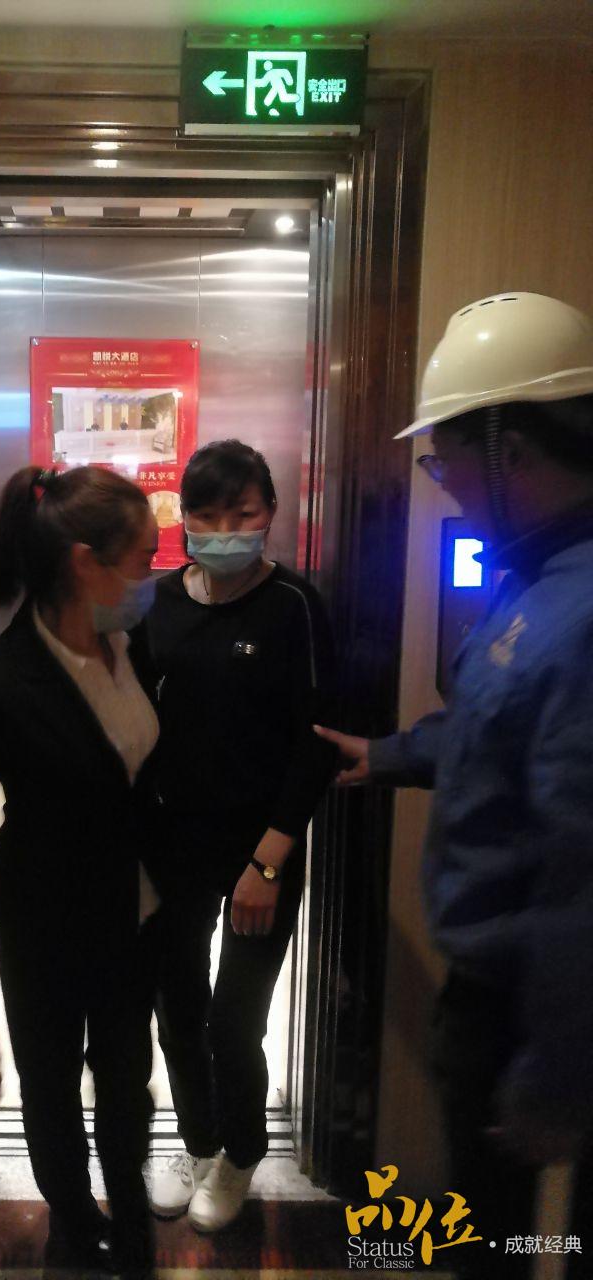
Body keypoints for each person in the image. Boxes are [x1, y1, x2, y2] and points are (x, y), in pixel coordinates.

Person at [315, 293, 593, 1279]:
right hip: (494, 998)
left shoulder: (582, 610)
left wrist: (557, 1070)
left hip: (529, 1009)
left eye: (448, 461)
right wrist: (391, 754)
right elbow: (494, 730)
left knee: (522, 1243)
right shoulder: (537, 577)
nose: (447, 489)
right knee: (492, 1222)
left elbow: (583, 874)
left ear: (510, 451)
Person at [0, 464, 160, 1277]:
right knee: (51, 1092)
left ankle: (134, 1225)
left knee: (127, 1084)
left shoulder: (134, 645)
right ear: (87, 564)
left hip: (134, 920)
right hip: (43, 927)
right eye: (144, 558)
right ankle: (75, 1228)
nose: (153, 575)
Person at [142, 439, 337, 1232]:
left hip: (264, 850)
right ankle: (197, 1141)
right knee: (178, 1012)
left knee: (233, 1024)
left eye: (243, 514)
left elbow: (317, 744)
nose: (225, 531)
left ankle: (242, 1154)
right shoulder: (157, 601)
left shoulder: (294, 606)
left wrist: (270, 860)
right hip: (172, 845)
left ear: (271, 514)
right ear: (183, 517)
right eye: (208, 514)